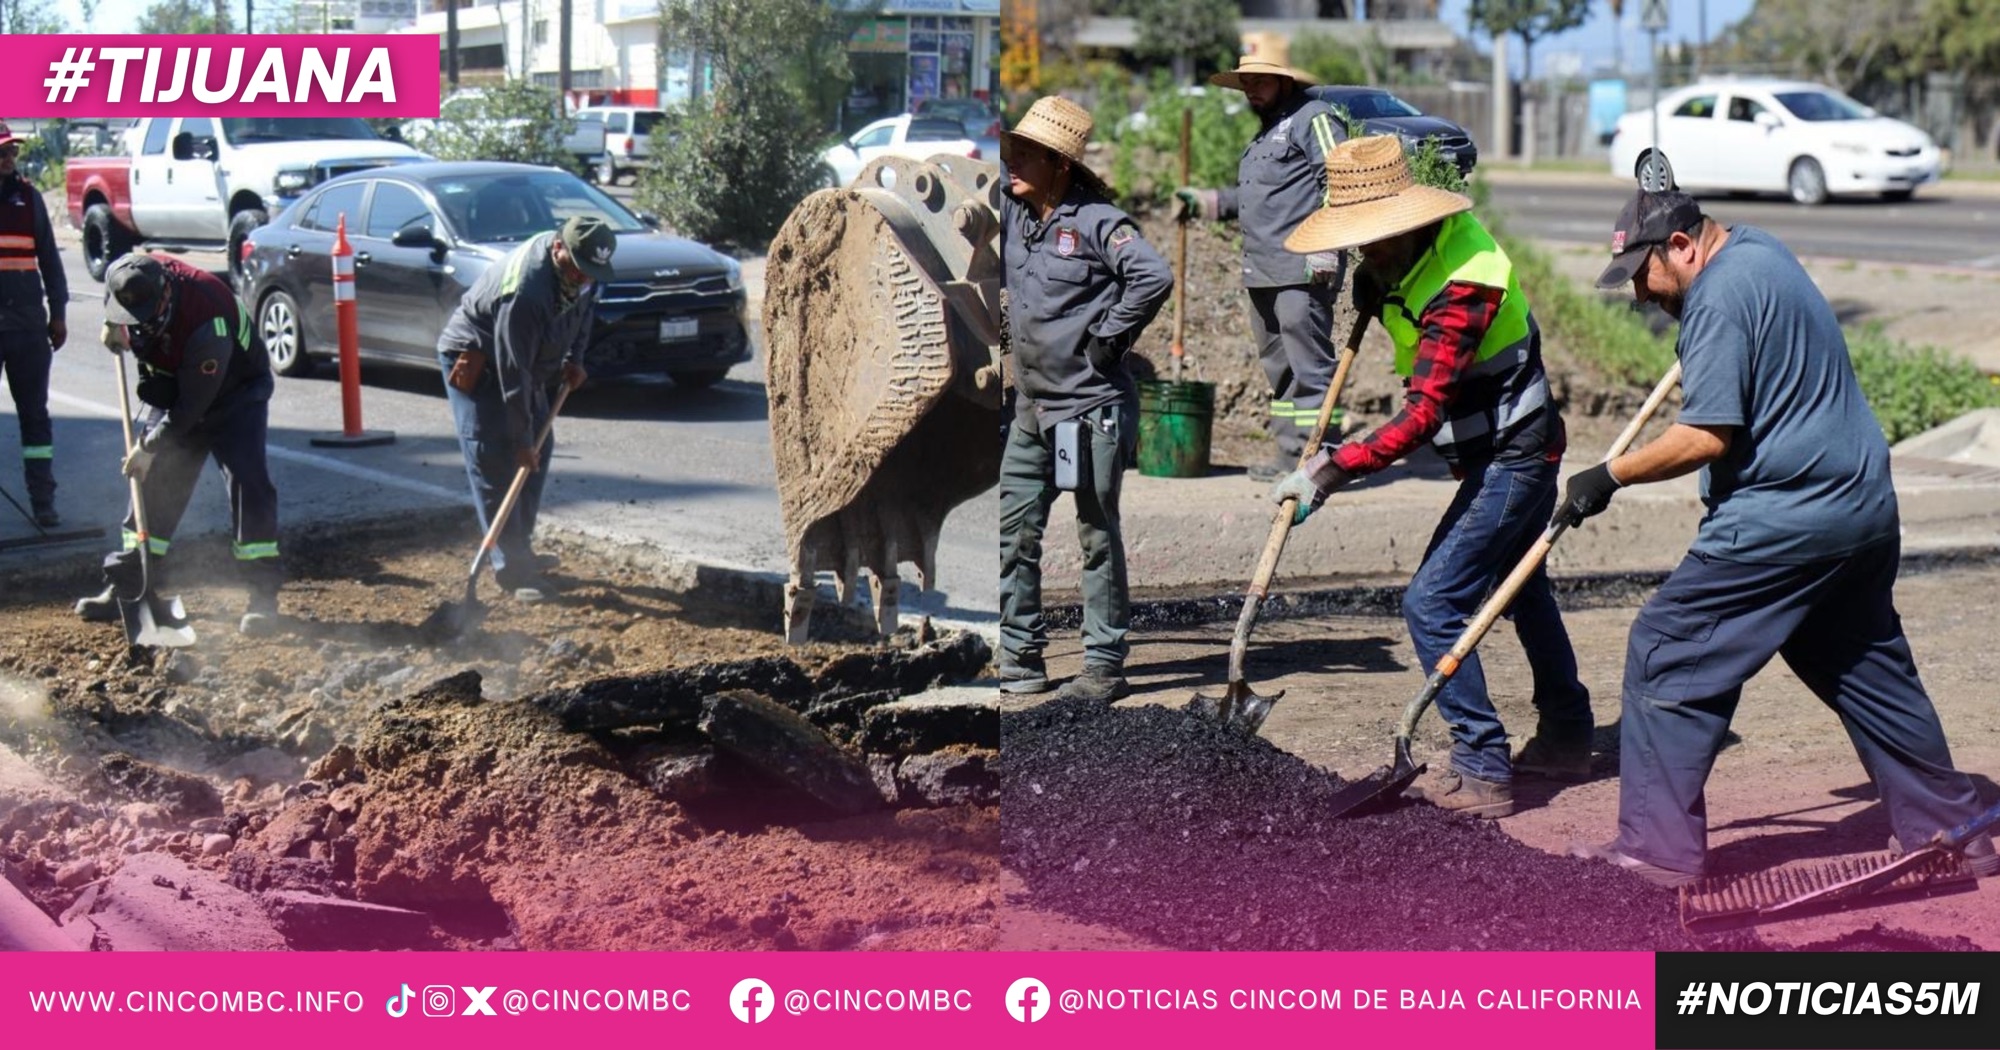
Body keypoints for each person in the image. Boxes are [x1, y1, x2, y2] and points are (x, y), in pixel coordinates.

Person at [1560, 189, 1999, 886]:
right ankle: (1954, 830)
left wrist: (1608, 475)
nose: (1640, 295)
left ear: (1682, 247)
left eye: (1644, 274)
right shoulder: (1760, 251)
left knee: (1667, 651)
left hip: (1786, 520)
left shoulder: (1721, 299)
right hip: (1860, 510)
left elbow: (1705, 436)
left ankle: (1655, 855)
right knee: (1866, 670)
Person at [1270, 136, 1592, 819]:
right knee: (1521, 588)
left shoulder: (1464, 282)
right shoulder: (1402, 261)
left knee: (1431, 602)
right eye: (1357, 241)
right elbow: (1393, 300)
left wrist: (1330, 470)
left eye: (1375, 241)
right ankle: (1567, 733)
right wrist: (1367, 281)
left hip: (1518, 452)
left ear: (1413, 222)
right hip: (1492, 447)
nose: (1368, 252)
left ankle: (1482, 764)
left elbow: (1420, 417)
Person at [998, 96, 1173, 703]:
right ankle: (1019, 658)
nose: (1011, 161)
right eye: (1011, 149)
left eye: (1026, 154)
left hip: (1087, 411)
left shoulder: (1099, 223)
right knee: (1016, 530)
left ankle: (1103, 665)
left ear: (1060, 164)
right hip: (1031, 410)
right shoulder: (1015, 214)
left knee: (1096, 533)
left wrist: (1108, 339)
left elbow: (1153, 276)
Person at [78, 255, 281, 636]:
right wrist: (111, 324)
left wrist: (149, 447)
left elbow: (189, 412)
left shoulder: (207, 320)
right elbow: (112, 295)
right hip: (175, 384)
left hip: (234, 397)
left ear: (165, 294)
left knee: (248, 484)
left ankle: (263, 595)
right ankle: (130, 584)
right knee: (151, 485)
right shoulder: (124, 273)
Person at [1174, 54, 1346, 480]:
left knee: (1310, 367)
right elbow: (1254, 198)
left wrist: (1327, 247)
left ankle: (1322, 461)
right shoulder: (1267, 130)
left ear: (1284, 80)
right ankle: (1291, 456)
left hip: (1301, 266)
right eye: (1245, 81)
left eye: (1259, 80)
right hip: (1262, 267)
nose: (1250, 88)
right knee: (1281, 371)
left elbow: (1340, 181)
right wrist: (1205, 202)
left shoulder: (1315, 118)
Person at [436, 214, 611, 602]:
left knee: (539, 451)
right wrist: (520, 439)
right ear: (558, 248)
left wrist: (575, 358)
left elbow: (583, 314)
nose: (584, 279)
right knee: (498, 457)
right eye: (577, 270)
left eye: (590, 273)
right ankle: (512, 571)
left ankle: (521, 552)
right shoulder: (525, 293)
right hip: (481, 361)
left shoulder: (584, 272)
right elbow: (513, 374)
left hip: (532, 364)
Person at [0, 120, 69, 526]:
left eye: (12, 152)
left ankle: (43, 502)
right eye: (2, 152)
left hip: (27, 328)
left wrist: (58, 313)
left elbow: (50, 260)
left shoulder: (29, 199)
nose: (9, 158)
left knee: (35, 417)